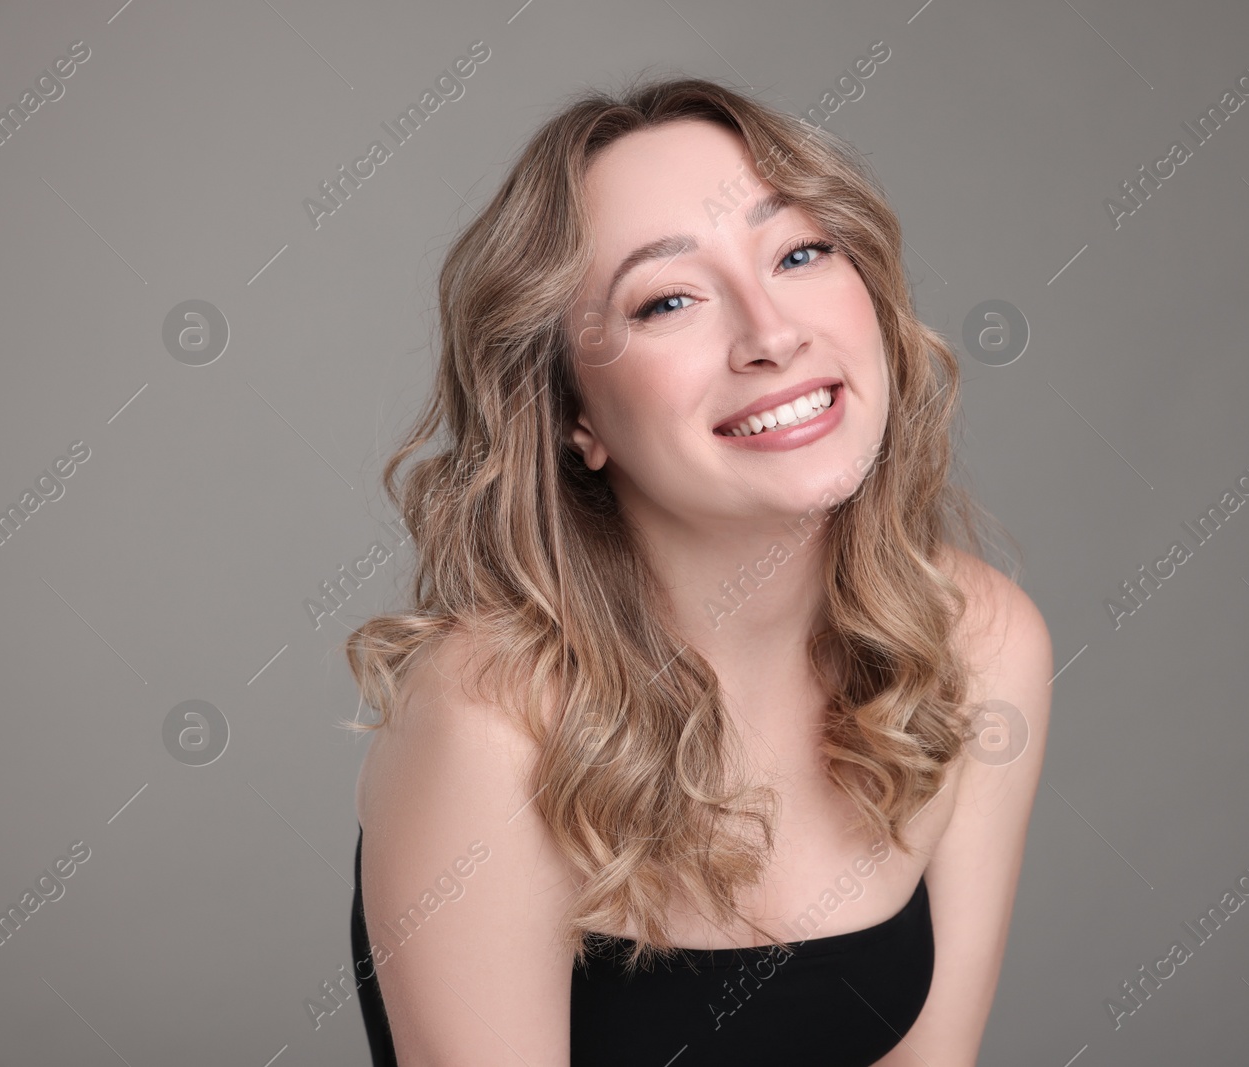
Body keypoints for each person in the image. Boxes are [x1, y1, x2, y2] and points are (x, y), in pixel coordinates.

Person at [343, 73, 1053, 1066]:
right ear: (572, 415)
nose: (771, 335)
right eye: (667, 297)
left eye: (800, 252)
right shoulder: (487, 720)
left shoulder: (978, 641)